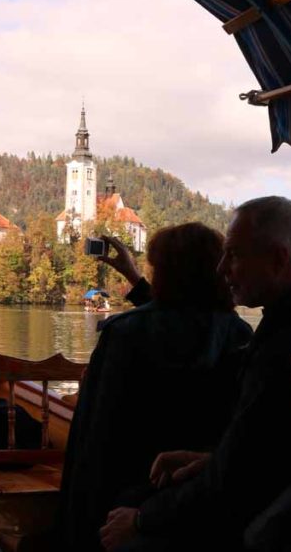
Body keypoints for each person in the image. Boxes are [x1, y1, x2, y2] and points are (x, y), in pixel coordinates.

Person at [98, 196, 291, 551]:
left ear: (278, 259)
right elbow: (272, 450)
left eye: (233, 255)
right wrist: (214, 459)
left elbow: (234, 482)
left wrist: (142, 519)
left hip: (266, 526)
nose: (221, 269)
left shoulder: (287, 346)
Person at [59, 223, 253, 550]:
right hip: (199, 508)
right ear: (218, 270)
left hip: (121, 505)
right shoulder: (241, 337)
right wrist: (135, 281)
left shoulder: (123, 335)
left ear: (163, 272)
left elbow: (94, 441)